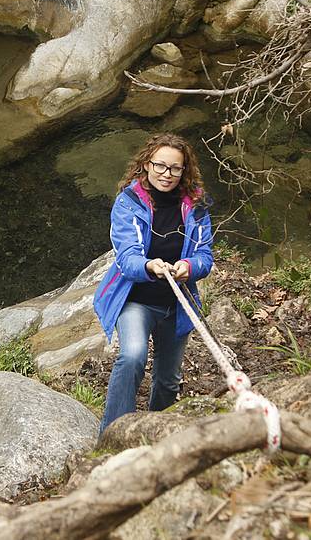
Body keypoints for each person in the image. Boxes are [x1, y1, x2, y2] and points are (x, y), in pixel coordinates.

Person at [92, 132, 214, 433]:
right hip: (135, 299)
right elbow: (127, 257)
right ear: (146, 164)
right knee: (133, 356)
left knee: (168, 379)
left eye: (175, 168)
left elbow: (205, 256)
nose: (167, 174)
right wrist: (149, 265)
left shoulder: (195, 206)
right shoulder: (129, 202)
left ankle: (158, 430)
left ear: (184, 171)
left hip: (176, 303)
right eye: (160, 166)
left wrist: (189, 266)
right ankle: (114, 432)